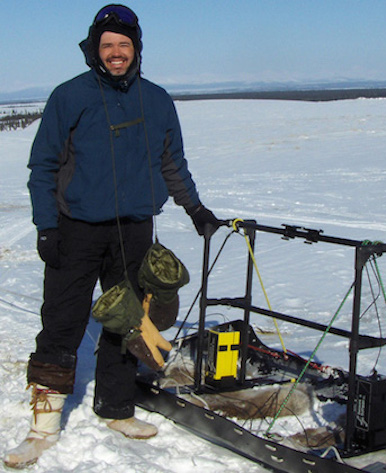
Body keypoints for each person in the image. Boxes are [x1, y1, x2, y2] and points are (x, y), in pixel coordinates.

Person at [4, 4, 220, 469]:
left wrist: (195, 209)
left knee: (130, 322)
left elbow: (171, 162)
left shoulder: (157, 100)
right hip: (76, 230)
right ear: (94, 50)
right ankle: (43, 426)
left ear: (136, 49)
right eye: (108, 46)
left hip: (135, 229)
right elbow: (42, 166)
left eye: (124, 45)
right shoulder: (70, 96)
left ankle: (116, 407)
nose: (116, 53)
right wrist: (47, 227)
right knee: (62, 322)